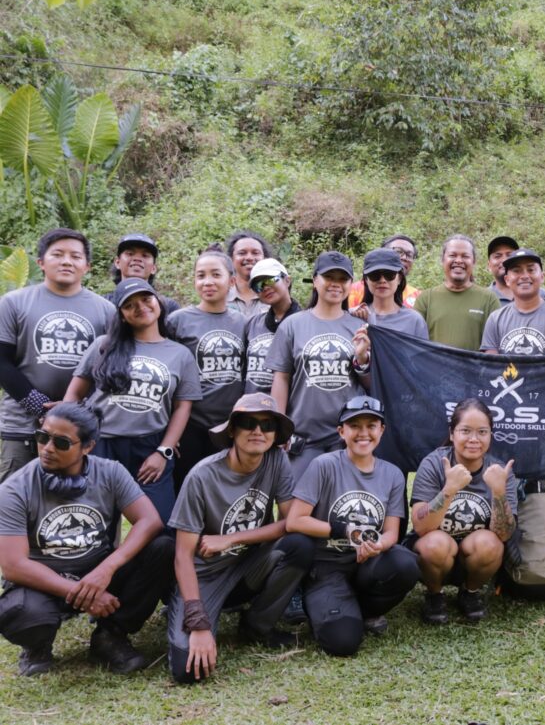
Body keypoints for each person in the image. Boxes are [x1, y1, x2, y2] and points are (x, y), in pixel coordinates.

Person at [0, 403, 172, 676]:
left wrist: (106, 569)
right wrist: (78, 591)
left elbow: (150, 521)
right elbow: (13, 565)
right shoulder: (14, 488)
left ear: (88, 447)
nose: (47, 448)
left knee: (163, 548)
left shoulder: (110, 472)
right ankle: (37, 646)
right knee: (21, 612)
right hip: (45, 581)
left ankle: (110, 636)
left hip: (97, 570)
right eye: (43, 436)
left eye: (61, 442)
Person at [167, 393, 312, 683]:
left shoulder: (277, 460)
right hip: (206, 574)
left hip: (250, 564)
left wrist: (231, 539)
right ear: (232, 429)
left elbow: (289, 523)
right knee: (187, 671)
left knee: (300, 546)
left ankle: (257, 625)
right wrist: (197, 621)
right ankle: (194, 613)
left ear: (274, 434)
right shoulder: (202, 476)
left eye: (267, 425)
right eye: (248, 422)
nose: (258, 431)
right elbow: (183, 556)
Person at [285, 396, 419, 655]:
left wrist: (378, 545)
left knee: (405, 564)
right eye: (355, 425)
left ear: (382, 430)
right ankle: (328, 606)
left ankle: (366, 610)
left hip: (366, 562)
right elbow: (294, 521)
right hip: (327, 565)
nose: (363, 433)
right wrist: (346, 530)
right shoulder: (324, 465)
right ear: (341, 431)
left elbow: (392, 531)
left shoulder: (392, 473)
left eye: (371, 425)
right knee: (342, 643)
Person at [65, 278, 202, 522]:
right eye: (129, 305)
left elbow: (183, 406)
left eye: (145, 299)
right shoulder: (103, 345)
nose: (140, 307)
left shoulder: (180, 354)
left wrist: (164, 451)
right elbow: (74, 394)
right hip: (100, 444)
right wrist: (68, 436)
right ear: (122, 315)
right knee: (95, 521)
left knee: (160, 526)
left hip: (149, 447)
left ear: (157, 301)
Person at [0, 229, 116, 482]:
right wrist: (38, 405)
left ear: (87, 266)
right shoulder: (13, 302)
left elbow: (111, 368)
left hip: (80, 427)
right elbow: (2, 362)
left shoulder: (106, 310)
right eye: (58, 254)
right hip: (23, 425)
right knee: (13, 501)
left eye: (75, 256)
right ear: (41, 262)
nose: (66, 261)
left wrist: (75, 407)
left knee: (79, 503)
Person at [410, 398, 517, 625]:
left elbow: (505, 535)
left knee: (491, 543)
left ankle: (470, 592)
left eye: (482, 432)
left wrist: (498, 491)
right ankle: (434, 594)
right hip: (436, 556)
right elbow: (421, 527)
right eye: (465, 431)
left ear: (490, 435)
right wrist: (449, 489)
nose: (473, 439)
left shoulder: (499, 471)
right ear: (452, 433)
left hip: (474, 558)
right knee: (433, 544)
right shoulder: (434, 463)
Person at [268, 251, 371, 479]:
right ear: (315, 281)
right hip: (303, 437)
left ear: (350, 284)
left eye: (342, 279)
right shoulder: (292, 325)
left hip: (347, 436)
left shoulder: (360, 326)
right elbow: (281, 378)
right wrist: (278, 427)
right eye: (328, 277)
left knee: (339, 507)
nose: (335, 284)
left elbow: (370, 383)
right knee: (298, 506)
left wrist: (362, 359)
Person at [167, 250, 246, 492]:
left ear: (231, 281)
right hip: (190, 423)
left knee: (226, 490)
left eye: (215, 275)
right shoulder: (177, 321)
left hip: (230, 425)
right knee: (187, 489)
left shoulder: (244, 322)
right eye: (201, 276)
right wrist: (171, 429)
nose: (208, 282)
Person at [481, 249, 545, 356]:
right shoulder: (495, 319)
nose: (525, 276)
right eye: (516, 271)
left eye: (531, 270)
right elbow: (491, 366)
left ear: (542, 276)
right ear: (507, 280)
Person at [414, 235, 501, 351]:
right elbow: (414, 344)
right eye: (452, 255)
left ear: (474, 262)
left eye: (465, 256)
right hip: (433, 368)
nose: (459, 260)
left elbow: (495, 347)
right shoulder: (426, 298)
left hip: (475, 368)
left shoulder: (489, 299)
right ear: (442, 260)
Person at [242, 258, 300, 394]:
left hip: (289, 410)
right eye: (258, 285)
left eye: (270, 280)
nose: (266, 287)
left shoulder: (305, 322)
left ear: (287, 280)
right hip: (252, 408)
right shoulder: (252, 324)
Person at [354, 248, 428, 339]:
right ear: (366, 280)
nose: (382, 280)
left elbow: (422, 352)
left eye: (389, 275)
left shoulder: (414, 320)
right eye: (375, 275)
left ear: (399, 278)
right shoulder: (355, 316)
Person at [104, 233, 180, 314]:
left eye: (145, 255)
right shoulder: (103, 304)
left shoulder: (168, 307)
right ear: (117, 262)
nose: (137, 259)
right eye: (130, 254)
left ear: (153, 268)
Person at [348, 234, 423, 309]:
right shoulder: (354, 291)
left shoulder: (417, 296)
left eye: (409, 255)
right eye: (398, 252)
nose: (404, 257)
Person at [485, 236, 545, 305]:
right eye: (498, 256)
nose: (504, 260)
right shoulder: (484, 298)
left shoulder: (541, 294)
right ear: (489, 265)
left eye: (509, 255)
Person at [225, 231, 273, 319]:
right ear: (231, 259)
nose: (249, 258)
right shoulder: (221, 296)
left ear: (265, 258)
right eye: (242, 253)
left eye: (255, 253)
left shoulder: (274, 294)